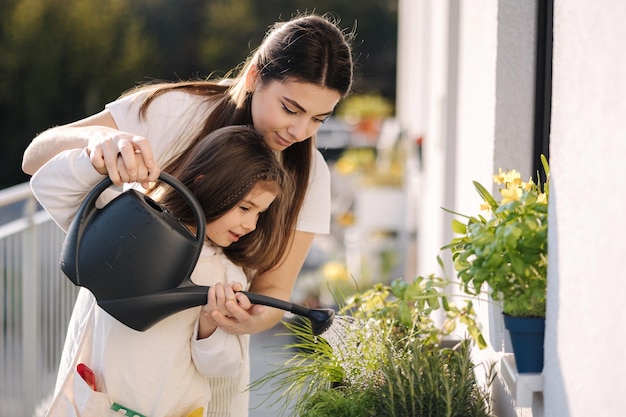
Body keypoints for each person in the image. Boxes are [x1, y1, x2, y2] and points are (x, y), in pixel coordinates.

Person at [22, 12, 355, 338]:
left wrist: (252, 319)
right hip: (114, 342)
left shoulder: (311, 175)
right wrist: (97, 140)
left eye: (318, 119)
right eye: (290, 109)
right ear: (254, 76)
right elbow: (34, 157)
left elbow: (275, 290)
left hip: (209, 361)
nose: (300, 131)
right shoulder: (174, 109)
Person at [31, 125, 292, 417]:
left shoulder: (227, 274)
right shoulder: (131, 224)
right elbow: (47, 186)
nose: (251, 225)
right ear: (208, 182)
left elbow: (223, 368)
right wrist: (97, 157)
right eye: (245, 208)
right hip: (97, 403)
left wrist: (210, 326)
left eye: (260, 213)